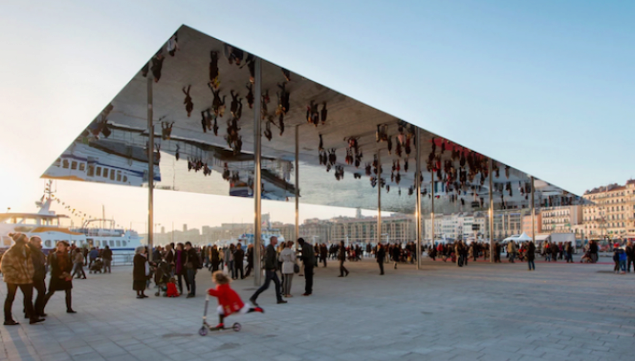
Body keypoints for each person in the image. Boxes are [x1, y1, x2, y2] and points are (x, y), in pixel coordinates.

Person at [2, 233, 44, 325]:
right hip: (13, 280)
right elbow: (4, 267)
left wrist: (30, 274)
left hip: (26, 278)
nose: (27, 240)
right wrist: (17, 274)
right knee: (10, 298)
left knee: (28, 297)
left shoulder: (27, 250)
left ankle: (32, 317)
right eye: (25, 239)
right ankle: (8, 319)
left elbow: (30, 265)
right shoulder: (10, 252)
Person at [250, 237, 286, 306]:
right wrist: (271, 267)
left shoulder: (271, 248)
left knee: (278, 283)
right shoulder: (270, 248)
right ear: (272, 241)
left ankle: (279, 299)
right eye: (276, 239)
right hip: (270, 270)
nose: (277, 240)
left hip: (272, 270)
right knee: (265, 286)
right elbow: (268, 259)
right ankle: (253, 297)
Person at [43, 241, 76, 314]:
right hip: (56, 276)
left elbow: (70, 264)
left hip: (66, 275)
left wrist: (66, 272)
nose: (59, 247)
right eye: (58, 245)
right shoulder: (54, 255)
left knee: (68, 291)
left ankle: (69, 308)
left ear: (65, 246)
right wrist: (60, 274)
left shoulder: (68, 255)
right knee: (50, 292)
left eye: (61, 245)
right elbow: (53, 266)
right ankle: (40, 308)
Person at [28, 236, 47, 319]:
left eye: (40, 242)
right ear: (31, 242)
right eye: (37, 242)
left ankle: (35, 311)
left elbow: (42, 261)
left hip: (39, 275)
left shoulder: (38, 251)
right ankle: (34, 311)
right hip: (32, 275)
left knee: (42, 291)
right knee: (31, 294)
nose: (39, 243)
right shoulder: (28, 250)